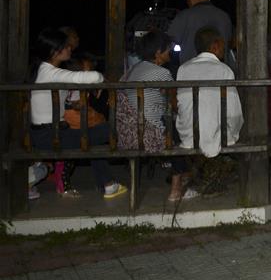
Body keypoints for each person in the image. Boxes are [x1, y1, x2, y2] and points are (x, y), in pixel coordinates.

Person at [28, 28, 127, 199]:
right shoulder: (50, 72)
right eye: (66, 46)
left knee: (93, 139)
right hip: (51, 135)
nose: (70, 49)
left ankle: (108, 184)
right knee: (111, 128)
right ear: (54, 51)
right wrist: (103, 78)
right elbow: (93, 77)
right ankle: (108, 184)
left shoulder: (40, 69)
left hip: (47, 132)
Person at [120, 30, 198, 202]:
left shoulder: (133, 70)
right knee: (179, 134)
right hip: (148, 134)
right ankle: (176, 189)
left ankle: (184, 173)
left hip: (127, 134)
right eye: (168, 49)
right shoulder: (162, 73)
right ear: (157, 52)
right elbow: (175, 103)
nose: (170, 51)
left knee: (171, 127)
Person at [175, 27, 243, 158]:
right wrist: (235, 130)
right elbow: (234, 113)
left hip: (189, 137)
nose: (224, 48)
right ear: (215, 46)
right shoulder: (224, 70)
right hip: (219, 137)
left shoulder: (183, 69)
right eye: (222, 45)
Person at [167, 0, 233, 64]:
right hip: (220, 69)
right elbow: (229, 42)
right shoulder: (224, 16)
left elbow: (170, 41)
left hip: (191, 69)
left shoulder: (184, 16)